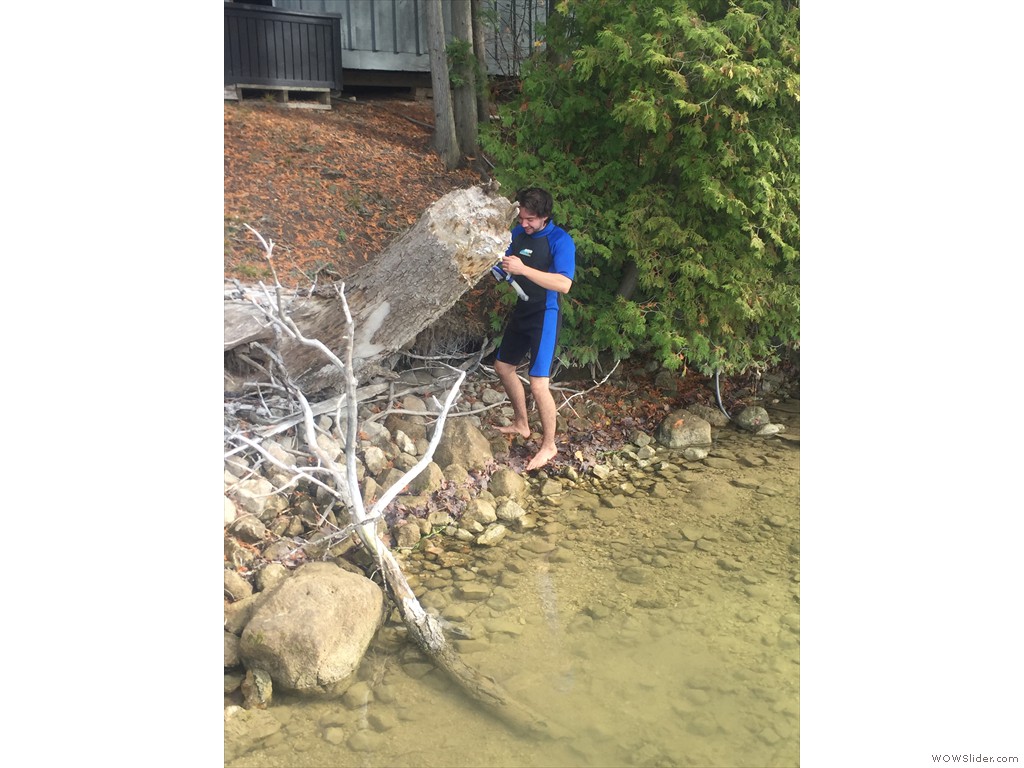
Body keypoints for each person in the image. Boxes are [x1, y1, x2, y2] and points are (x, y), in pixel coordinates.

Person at [493, 187, 576, 471]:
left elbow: (564, 284)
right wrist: (499, 267)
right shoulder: (518, 234)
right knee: (503, 367)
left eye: (530, 219)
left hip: (545, 314)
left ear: (545, 216)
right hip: (523, 310)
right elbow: (504, 263)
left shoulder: (559, 240)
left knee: (539, 383)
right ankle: (521, 424)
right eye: (521, 219)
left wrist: (523, 269)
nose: (524, 224)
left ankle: (549, 445)